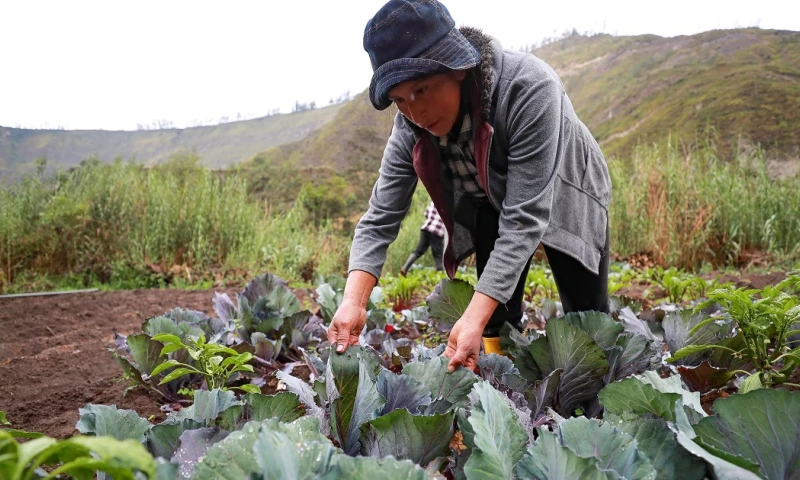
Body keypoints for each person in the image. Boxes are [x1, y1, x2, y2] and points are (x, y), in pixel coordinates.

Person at [328, 0, 611, 372]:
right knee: (493, 320)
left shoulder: (529, 88)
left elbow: (524, 219)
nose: (415, 112)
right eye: (399, 100)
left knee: (587, 320)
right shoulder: (409, 127)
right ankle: (502, 379)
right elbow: (380, 217)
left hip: (570, 191)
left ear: (457, 67)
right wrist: (353, 301)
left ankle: (596, 385)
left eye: (422, 90)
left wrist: (472, 316)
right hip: (489, 199)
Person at [401, 201, 445, 275]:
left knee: (418, 251)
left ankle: (405, 268)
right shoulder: (448, 206)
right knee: (438, 256)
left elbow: (426, 213)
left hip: (426, 229)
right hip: (437, 232)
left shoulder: (433, 201)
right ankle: (441, 276)